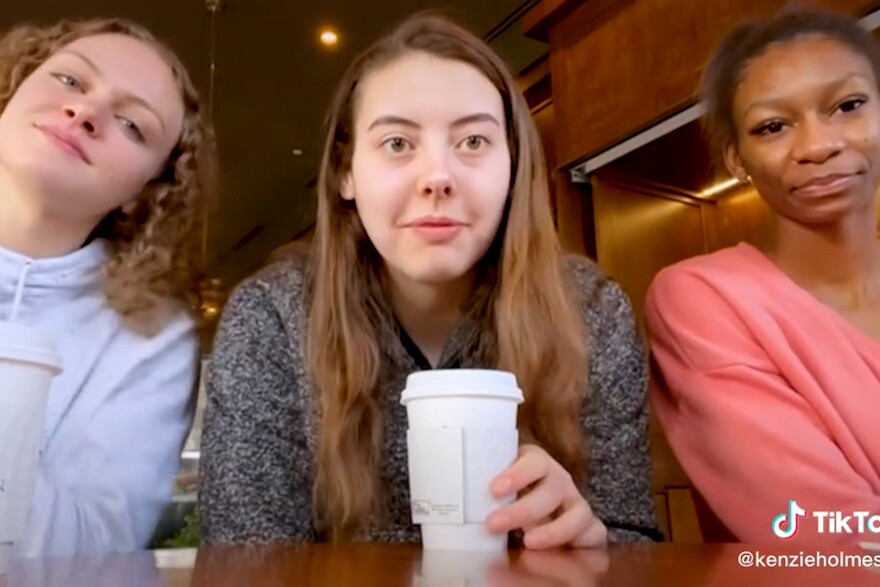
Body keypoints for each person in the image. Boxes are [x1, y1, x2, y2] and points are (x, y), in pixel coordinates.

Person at [199, 13, 659, 548]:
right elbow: (243, 559)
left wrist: (594, 542)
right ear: (346, 173)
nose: (437, 177)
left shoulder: (590, 311)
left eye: (473, 142)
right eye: (397, 143)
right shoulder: (274, 317)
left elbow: (634, 540)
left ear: (513, 168)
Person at [646, 8, 880, 544]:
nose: (818, 146)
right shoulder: (703, 298)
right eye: (773, 126)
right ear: (737, 159)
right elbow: (822, 536)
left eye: (848, 106)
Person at [0, 18, 215, 555]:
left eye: (132, 125)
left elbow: (94, 549)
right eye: (71, 81)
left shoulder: (151, 337)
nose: (86, 113)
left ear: (143, 194)